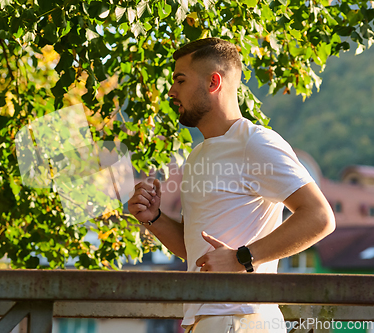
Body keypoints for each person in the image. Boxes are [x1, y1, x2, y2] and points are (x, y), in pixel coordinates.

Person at [128, 38, 336, 333]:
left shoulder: (255, 142)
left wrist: (242, 258)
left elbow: (320, 217)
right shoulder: (198, 154)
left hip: (241, 318)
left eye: (180, 80)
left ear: (213, 82)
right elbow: (197, 252)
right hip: (204, 320)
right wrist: (155, 219)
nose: (172, 92)